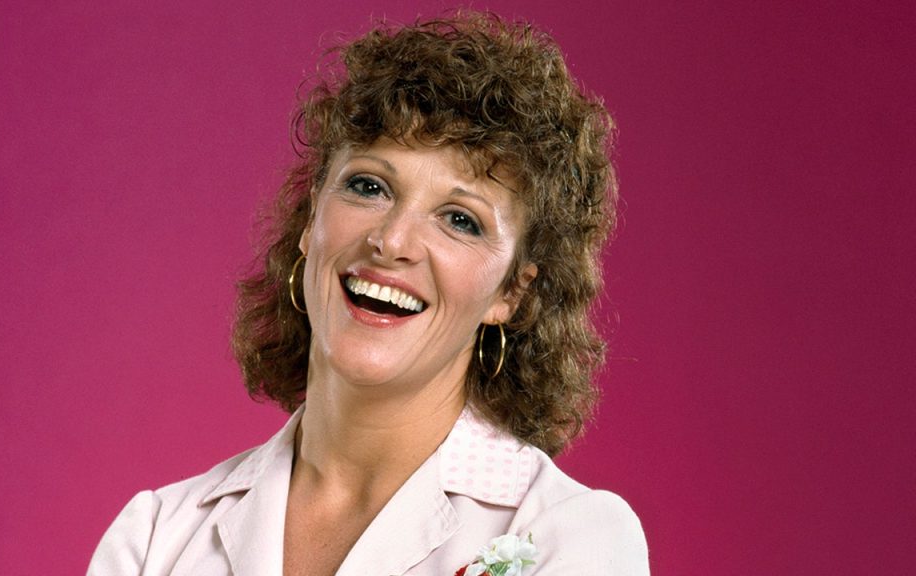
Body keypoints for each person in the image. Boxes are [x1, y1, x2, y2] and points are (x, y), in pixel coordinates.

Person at [88, 11, 648, 576]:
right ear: (313, 216)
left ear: (512, 293)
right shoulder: (155, 537)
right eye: (369, 186)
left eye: (460, 219)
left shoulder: (570, 535)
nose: (392, 241)